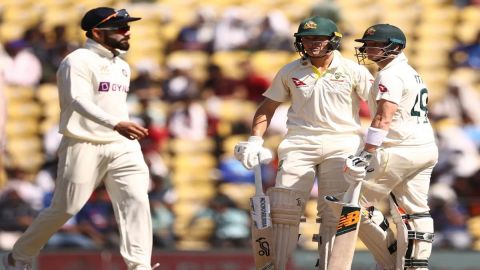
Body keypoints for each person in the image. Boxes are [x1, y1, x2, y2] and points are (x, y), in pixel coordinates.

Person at [1, 7, 159, 270]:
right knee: (65, 208)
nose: (127, 32)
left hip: (122, 145)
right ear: (97, 32)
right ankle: (19, 256)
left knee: (137, 199)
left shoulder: (121, 66)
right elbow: (77, 101)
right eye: (120, 28)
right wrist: (115, 123)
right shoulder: (77, 60)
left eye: (127, 27)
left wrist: (119, 127)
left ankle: (139, 266)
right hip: (84, 142)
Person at [234, 16, 374, 269]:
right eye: (307, 39)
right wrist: (255, 140)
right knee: (282, 208)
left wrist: (379, 143)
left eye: (318, 39)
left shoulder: (354, 71)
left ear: (333, 40)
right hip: (299, 142)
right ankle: (275, 265)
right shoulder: (290, 70)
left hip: (342, 143)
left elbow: (379, 107)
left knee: (335, 211)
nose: (312, 44)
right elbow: (267, 108)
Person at [344, 24, 439, 269]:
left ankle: (389, 261)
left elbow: (383, 118)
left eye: (376, 44)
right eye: (368, 44)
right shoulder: (411, 71)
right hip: (425, 147)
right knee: (415, 211)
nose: (369, 48)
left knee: (353, 203)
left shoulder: (390, 74)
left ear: (395, 47)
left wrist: (366, 153)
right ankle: (414, 265)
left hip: (398, 149)